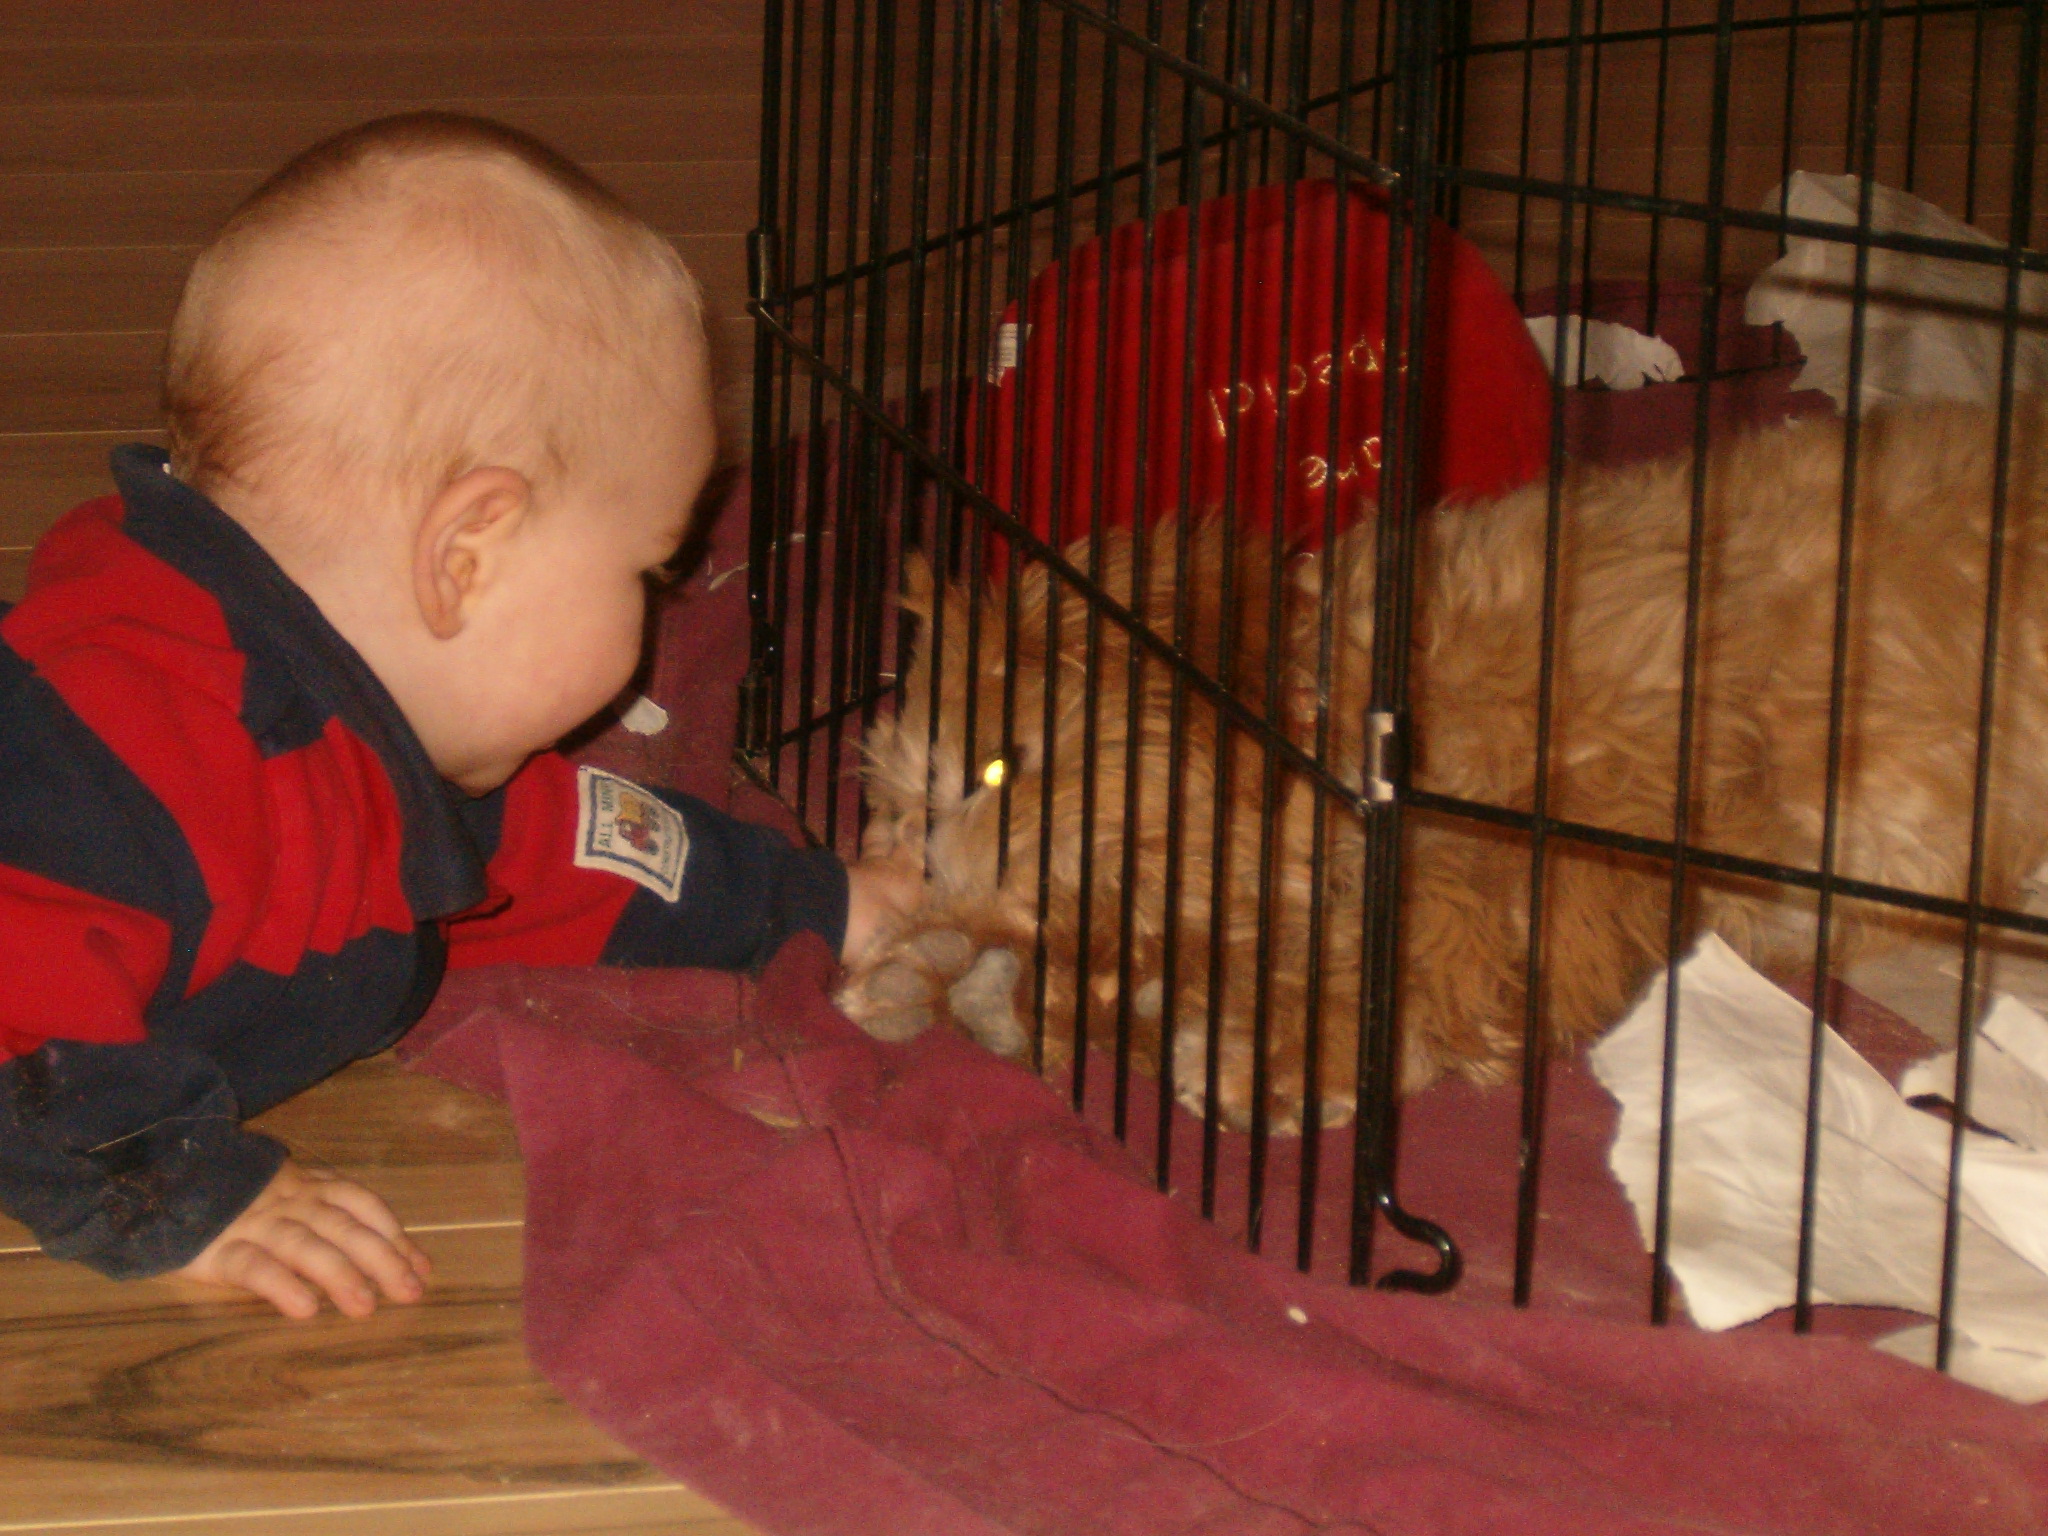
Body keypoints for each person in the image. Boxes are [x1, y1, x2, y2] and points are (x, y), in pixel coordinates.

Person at [0, 113, 917, 1321]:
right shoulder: (112, 763)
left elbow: (566, 855)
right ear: (468, 554)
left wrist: (819, 903)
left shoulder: (383, 742)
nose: (666, 603)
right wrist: (171, 1188)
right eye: (645, 570)